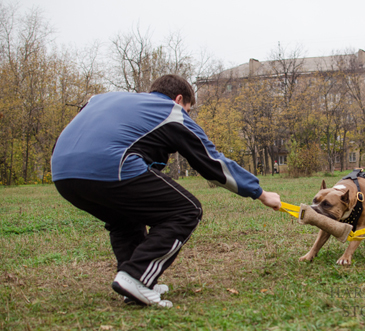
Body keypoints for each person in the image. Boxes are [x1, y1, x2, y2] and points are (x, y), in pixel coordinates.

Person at [51, 74, 281, 308]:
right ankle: (136, 277)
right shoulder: (170, 110)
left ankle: (132, 284)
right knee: (187, 210)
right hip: (111, 166)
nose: (187, 115)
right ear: (179, 99)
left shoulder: (101, 99)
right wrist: (260, 193)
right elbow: (211, 161)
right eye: (188, 110)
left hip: (62, 173)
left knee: (124, 219)